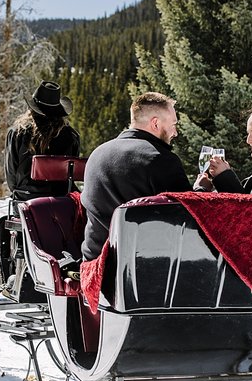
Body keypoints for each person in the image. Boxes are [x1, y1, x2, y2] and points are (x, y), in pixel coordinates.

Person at [81, 91, 191, 261]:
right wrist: (202, 189)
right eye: (173, 124)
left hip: (95, 261)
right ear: (155, 123)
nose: (175, 132)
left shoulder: (97, 154)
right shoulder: (160, 159)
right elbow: (188, 217)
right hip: (139, 266)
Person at [5, 81, 81, 201]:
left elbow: (11, 177)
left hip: (25, 201)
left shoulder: (18, 133)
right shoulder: (72, 136)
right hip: (61, 203)